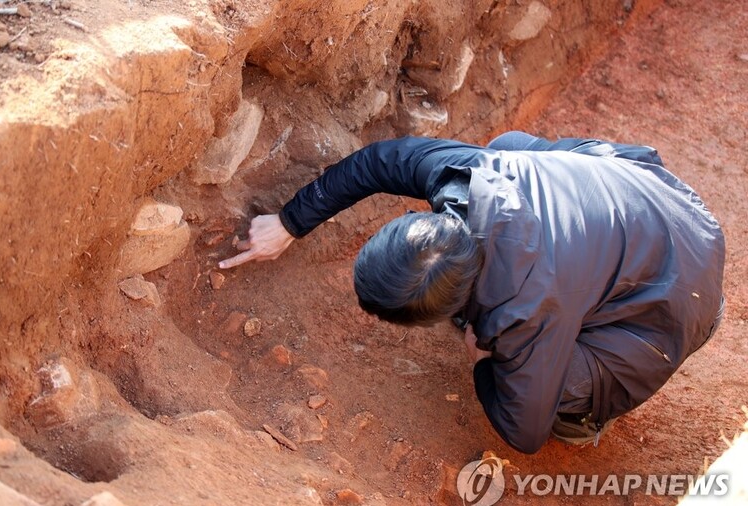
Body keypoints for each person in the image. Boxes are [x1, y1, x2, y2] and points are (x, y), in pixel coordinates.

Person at [218, 132, 725, 454]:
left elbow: (523, 432)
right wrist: (289, 221)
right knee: (507, 144)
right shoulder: (468, 179)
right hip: (642, 198)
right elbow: (377, 162)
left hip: (685, 283)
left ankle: (588, 411)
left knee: (557, 401)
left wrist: (484, 357)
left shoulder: (522, 312)